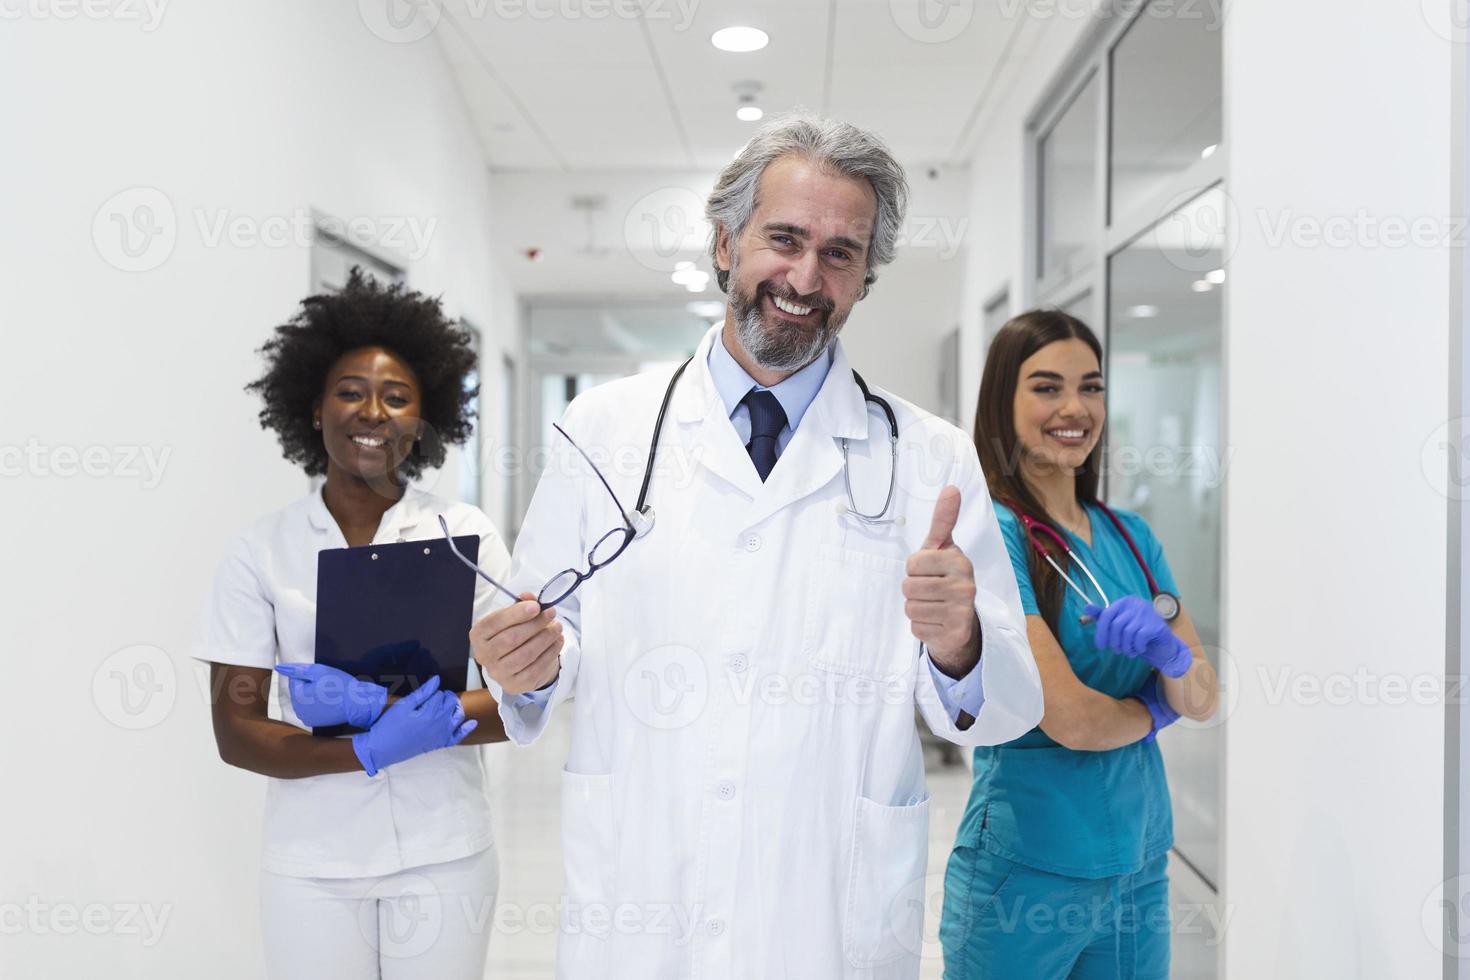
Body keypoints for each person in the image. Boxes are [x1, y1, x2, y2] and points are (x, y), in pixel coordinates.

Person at [467, 113, 1044, 978]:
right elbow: (545, 642)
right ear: (725, 243)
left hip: (827, 913)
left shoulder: (930, 458)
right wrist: (524, 664)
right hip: (647, 894)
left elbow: (1006, 707)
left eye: (840, 253)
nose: (805, 276)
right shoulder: (603, 432)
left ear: (864, 280)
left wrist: (960, 640)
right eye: (784, 238)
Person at [194, 270, 510, 979]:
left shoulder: (465, 535)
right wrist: (366, 750)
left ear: (422, 421)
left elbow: (520, 701)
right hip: (313, 864)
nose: (373, 411)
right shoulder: (261, 549)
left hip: (444, 853)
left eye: (397, 397)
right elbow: (236, 731)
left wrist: (392, 712)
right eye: (350, 392)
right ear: (312, 409)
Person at [939, 309, 1220, 978]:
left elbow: (1205, 695)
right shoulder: (995, 537)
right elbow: (1073, 721)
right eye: (1046, 387)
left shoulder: (1130, 536)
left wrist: (1175, 660)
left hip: (1141, 866)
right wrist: (1158, 707)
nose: (1075, 407)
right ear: (1002, 401)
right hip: (1028, 868)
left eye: (1091, 386)